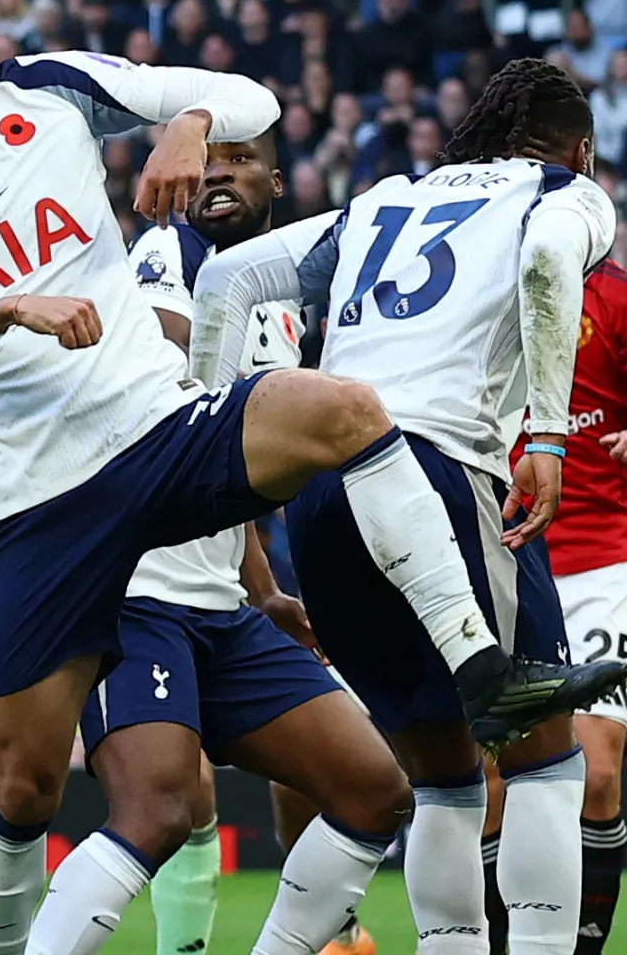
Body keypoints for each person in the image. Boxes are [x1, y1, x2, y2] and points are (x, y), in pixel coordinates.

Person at [0, 0, 620, 955]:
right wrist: (6, 308)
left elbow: (246, 98)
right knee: (17, 786)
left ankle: (480, 666)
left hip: (159, 433)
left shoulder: (57, 89)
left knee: (347, 415)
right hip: (45, 496)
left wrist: (192, 122)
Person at [192, 60, 626, 955]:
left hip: (321, 502)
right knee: (543, 759)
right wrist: (548, 435)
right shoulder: (563, 193)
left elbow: (225, 281)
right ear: (578, 148)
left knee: (443, 781)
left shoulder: (384, 199)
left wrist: (206, 450)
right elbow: (548, 260)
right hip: (441, 476)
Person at [59, 130, 412, 955]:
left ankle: (319, 939)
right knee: (160, 808)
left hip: (220, 601)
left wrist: (261, 588)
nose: (220, 172)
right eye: (207, 160)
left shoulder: (279, 299)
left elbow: (229, 463)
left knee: (374, 788)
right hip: (135, 588)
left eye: (242, 160)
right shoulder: (164, 253)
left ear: (276, 182)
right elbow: (169, 370)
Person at [488, 259, 627, 955]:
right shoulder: (482, 289)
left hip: (603, 559)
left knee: (598, 772)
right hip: (502, 560)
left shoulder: (616, 297)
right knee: (486, 778)